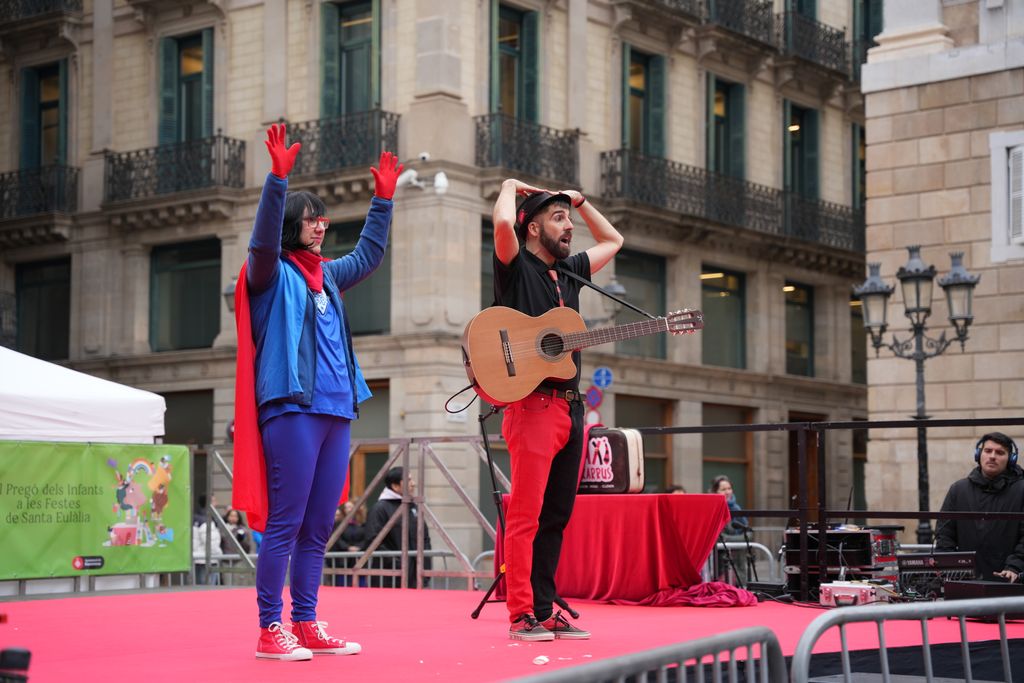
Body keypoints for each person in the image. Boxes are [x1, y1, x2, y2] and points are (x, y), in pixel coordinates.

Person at [231, 123, 400, 661]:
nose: (320, 225)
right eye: (310, 217)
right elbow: (261, 240)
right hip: (291, 408)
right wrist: (277, 180)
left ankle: (305, 622)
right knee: (287, 520)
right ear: (290, 224)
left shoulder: (328, 275)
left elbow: (370, 256)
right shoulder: (267, 272)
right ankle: (268, 629)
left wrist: (383, 201)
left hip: (336, 408)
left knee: (319, 525)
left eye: (323, 217)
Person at [491, 179, 624, 641]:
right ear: (533, 228)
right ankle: (520, 614)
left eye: (568, 219)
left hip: (571, 411)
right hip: (532, 407)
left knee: (555, 517)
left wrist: (580, 202)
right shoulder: (516, 264)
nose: (568, 227)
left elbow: (614, 240)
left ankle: (545, 609)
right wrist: (509, 185)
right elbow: (503, 220)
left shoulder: (571, 271)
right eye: (558, 218)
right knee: (526, 516)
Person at [935, 432, 1024, 583]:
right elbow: (945, 536)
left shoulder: (1021, 490)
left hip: (1010, 583)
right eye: (988, 451)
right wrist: (949, 568)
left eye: (1000, 452)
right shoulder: (958, 489)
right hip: (966, 583)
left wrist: (1014, 567)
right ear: (978, 455)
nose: (992, 456)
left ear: (1011, 459)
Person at [363, 467, 432, 588]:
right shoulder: (380, 508)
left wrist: (425, 565)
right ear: (395, 486)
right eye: (408, 480)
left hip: (414, 576)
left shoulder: (413, 507)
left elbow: (424, 538)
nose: (413, 484)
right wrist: (396, 562)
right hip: (389, 578)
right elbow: (373, 539)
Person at [710, 475, 749, 584]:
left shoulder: (737, 508)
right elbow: (720, 538)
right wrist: (743, 539)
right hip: (722, 562)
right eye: (723, 489)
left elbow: (749, 533)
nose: (727, 492)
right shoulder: (713, 509)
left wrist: (738, 539)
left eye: (729, 488)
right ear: (715, 491)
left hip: (739, 560)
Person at [331, 501, 366, 587]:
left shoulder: (362, 523)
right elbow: (337, 539)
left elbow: (366, 537)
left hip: (359, 559)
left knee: (361, 586)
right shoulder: (338, 524)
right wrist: (348, 548)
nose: (349, 509)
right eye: (346, 507)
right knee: (342, 585)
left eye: (350, 507)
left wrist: (359, 548)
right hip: (343, 560)